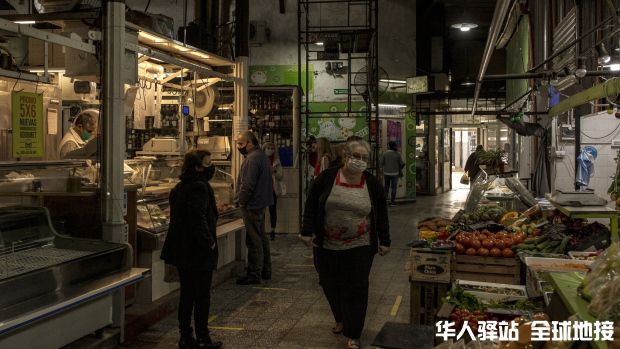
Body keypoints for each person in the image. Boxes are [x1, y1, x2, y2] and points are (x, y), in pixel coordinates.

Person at [300, 139, 391, 349]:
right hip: (326, 245)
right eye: (356, 156)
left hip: (360, 245)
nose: (360, 161)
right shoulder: (328, 177)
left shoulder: (372, 183)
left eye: (364, 158)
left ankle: (353, 333)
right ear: (345, 157)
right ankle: (340, 317)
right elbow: (312, 202)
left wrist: (385, 240)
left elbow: (381, 212)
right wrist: (306, 230)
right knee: (328, 283)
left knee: (356, 288)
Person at [160, 149, 222, 349]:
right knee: (202, 295)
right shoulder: (199, 188)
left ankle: (186, 336)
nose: (211, 167)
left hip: (181, 250)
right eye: (207, 164)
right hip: (197, 251)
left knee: (187, 294)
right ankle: (203, 337)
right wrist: (209, 243)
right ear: (197, 167)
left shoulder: (180, 187)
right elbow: (198, 218)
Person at [234, 131, 274, 285]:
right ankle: (265, 270)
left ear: (250, 142)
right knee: (261, 238)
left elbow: (248, 185)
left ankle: (254, 274)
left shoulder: (251, 159)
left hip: (252, 205)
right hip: (261, 203)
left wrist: (240, 201)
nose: (239, 147)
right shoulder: (262, 156)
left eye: (241, 144)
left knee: (254, 240)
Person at [263, 142, 284, 241]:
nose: (270, 150)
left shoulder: (277, 161)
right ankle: (261, 230)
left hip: (273, 189)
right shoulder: (261, 159)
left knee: (272, 210)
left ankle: (272, 230)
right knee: (262, 211)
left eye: (272, 148)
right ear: (264, 148)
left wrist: (274, 171)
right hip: (262, 189)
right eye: (268, 148)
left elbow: (281, 176)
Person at [381, 141, 405, 206]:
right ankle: (392, 202)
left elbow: (382, 163)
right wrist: (399, 168)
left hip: (386, 173)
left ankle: (385, 201)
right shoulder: (397, 154)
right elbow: (402, 164)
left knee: (386, 187)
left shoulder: (385, 154)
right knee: (394, 188)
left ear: (389, 146)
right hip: (395, 174)